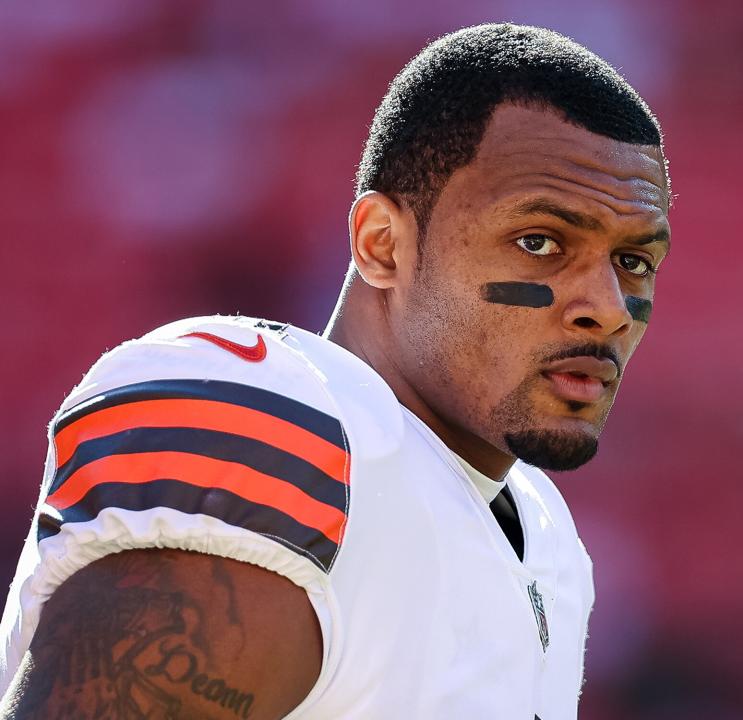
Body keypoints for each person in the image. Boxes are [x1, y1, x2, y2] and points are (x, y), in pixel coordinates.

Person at [0, 22, 670, 720]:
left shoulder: (546, 536)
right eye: (539, 242)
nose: (610, 308)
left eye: (634, 261)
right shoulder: (280, 429)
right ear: (383, 246)